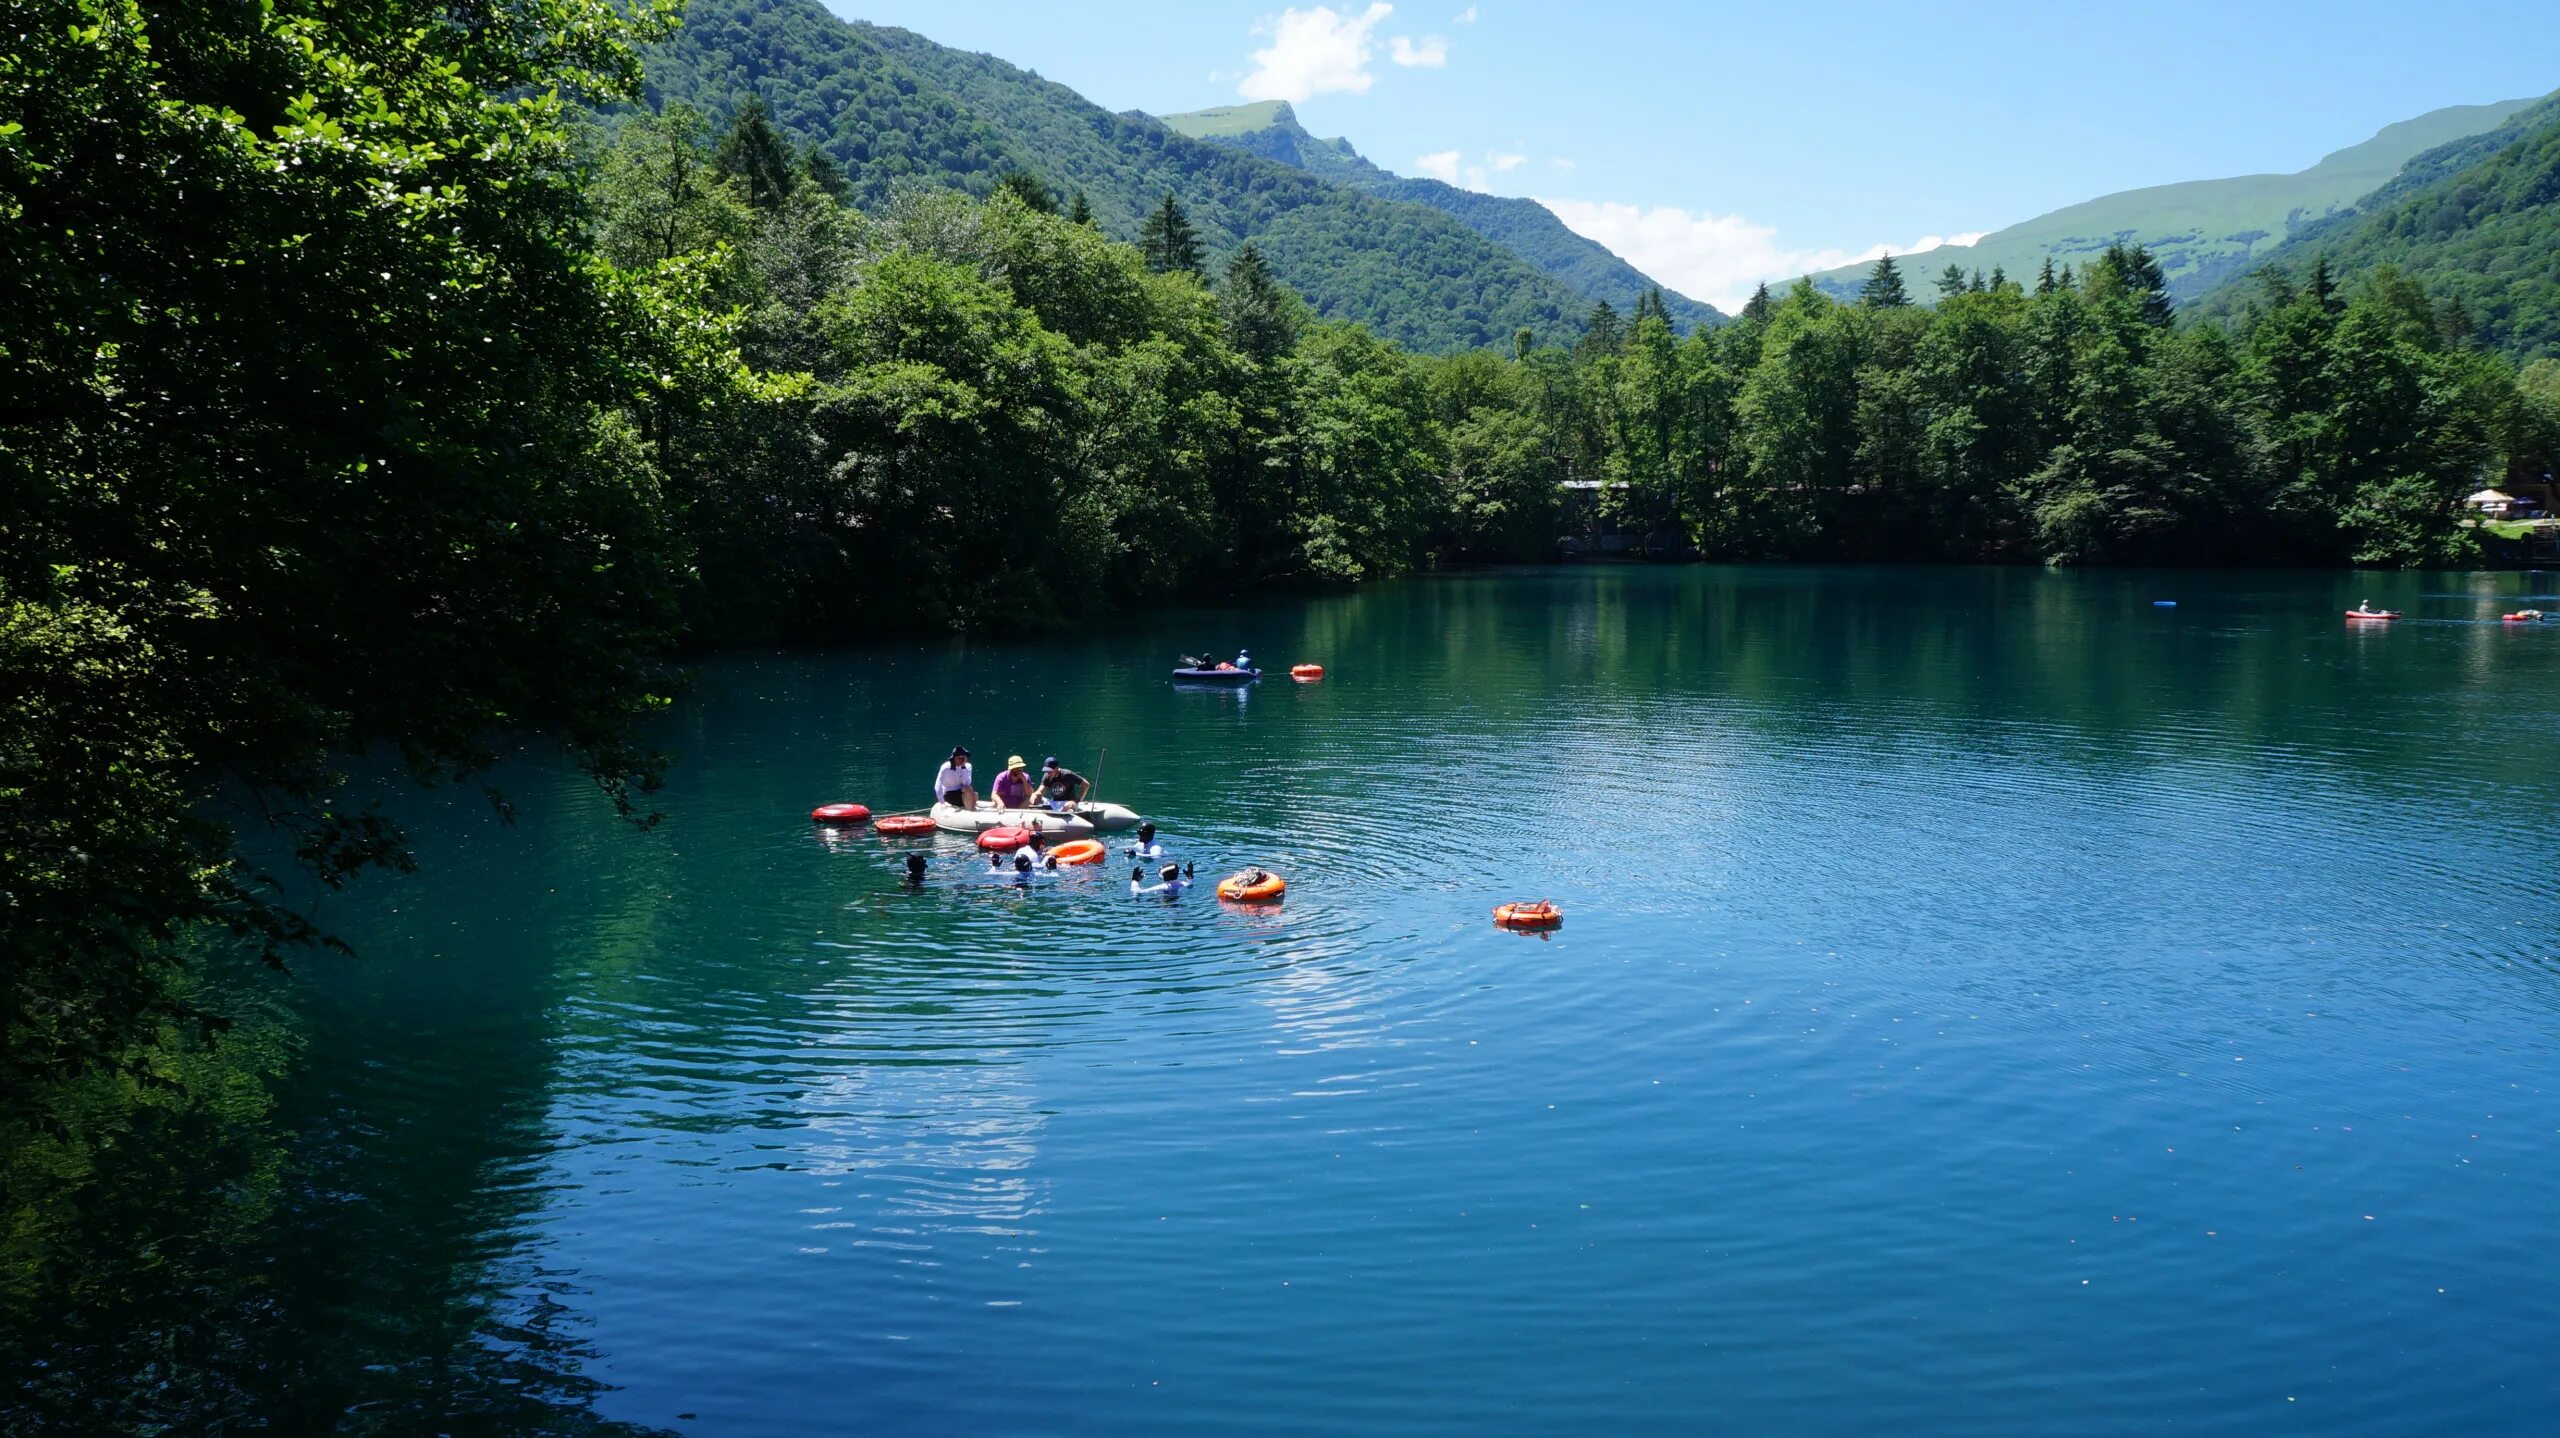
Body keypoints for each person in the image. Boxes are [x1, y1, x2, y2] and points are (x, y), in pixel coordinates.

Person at [932, 746, 976, 810]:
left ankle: (969, 810)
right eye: (959, 758)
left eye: (963, 758)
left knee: (975, 795)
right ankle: (970, 811)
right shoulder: (946, 767)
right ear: (954, 758)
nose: (961, 760)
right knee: (969, 790)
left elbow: (967, 783)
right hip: (948, 793)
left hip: (961, 792)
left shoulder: (968, 766)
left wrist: (963, 767)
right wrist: (942, 802)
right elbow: (938, 785)